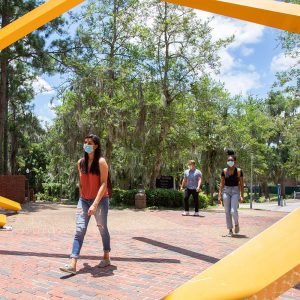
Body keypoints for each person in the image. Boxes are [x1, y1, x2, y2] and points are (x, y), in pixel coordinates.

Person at [60, 134, 111, 274]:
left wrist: (94, 204)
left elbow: (104, 184)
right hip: (83, 200)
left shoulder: (101, 162)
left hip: (100, 201)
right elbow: (81, 183)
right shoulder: (80, 163)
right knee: (79, 229)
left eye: (89, 142)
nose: (86, 145)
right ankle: (73, 263)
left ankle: (106, 256)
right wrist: (82, 199)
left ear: (96, 146)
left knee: (102, 227)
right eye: (85, 142)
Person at [218, 150, 244, 236]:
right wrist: (219, 195)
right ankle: (230, 230)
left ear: (235, 161)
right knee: (227, 211)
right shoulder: (224, 171)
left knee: (233, 211)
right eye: (228, 160)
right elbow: (221, 184)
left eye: (231, 160)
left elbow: (241, 184)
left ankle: (236, 224)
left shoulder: (239, 171)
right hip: (226, 191)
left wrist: (241, 195)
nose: (230, 162)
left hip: (235, 191)